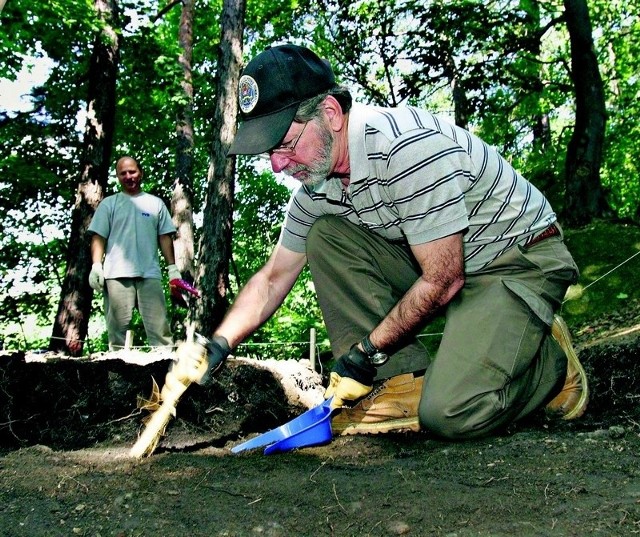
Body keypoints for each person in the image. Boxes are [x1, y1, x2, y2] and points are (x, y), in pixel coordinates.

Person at [179, 44, 588, 440]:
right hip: (442, 265)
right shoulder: (316, 191)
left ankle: (546, 362)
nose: (277, 164)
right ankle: (399, 384)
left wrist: (364, 352)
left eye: (285, 144)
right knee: (326, 235)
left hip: (514, 261)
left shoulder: (405, 149)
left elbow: (444, 280)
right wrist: (217, 343)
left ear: (331, 113)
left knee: (449, 412)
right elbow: (272, 278)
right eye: (270, 151)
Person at [88, 156, 198, 350]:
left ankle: (164, 371)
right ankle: (117, 375)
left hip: (150, 274)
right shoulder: (109, 204)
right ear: (118, 176)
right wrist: (96, 265)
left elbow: (165, 237)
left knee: (161, 333)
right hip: (116, 276)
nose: (128, 176)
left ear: (141, 173)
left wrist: (172, 269)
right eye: (123, 173)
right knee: (117, 334)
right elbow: (98, 237)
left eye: (132, 172)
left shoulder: (155, 204)